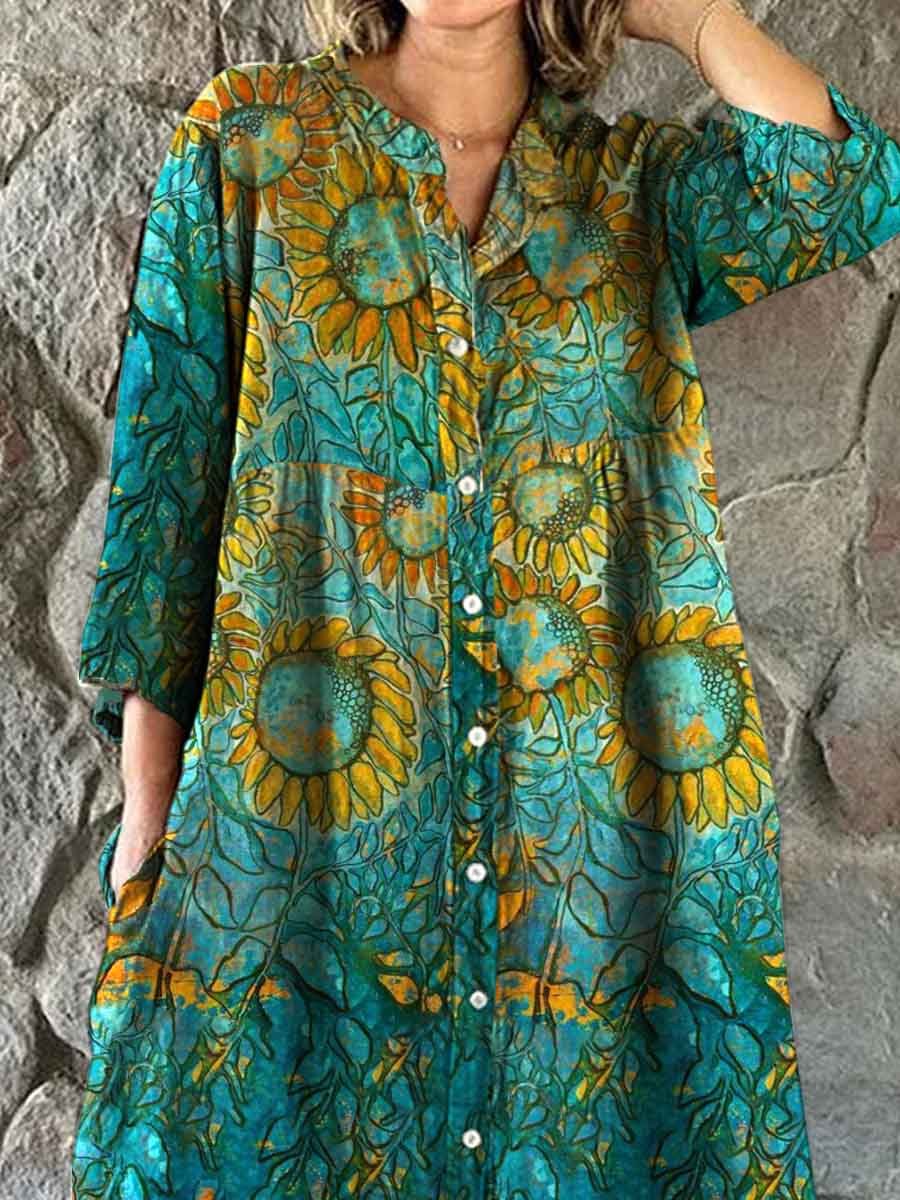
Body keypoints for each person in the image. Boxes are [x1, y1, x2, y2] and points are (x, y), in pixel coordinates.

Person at [70, 1, 900, 1197]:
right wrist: (147, 829)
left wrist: (683, 15)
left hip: (596, 863)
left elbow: (846, 183)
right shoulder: (249, 144)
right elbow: (166, 493)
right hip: (302, 852)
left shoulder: (634, 190)